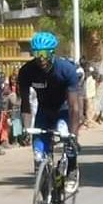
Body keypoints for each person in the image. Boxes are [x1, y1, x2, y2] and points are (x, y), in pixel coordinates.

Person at [17, 32, 83, 193]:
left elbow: (74, 107)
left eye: (44, 53)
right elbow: (25, 104)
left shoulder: (66, 70)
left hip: (64, 111)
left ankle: (72, 169)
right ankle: (45, 201)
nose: (40, 58)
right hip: (44, 112)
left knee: (67, 140)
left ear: (52, 53)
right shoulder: (26, 71)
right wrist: (24, 129)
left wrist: (74, 135)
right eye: (36, 54)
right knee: (39, 157)